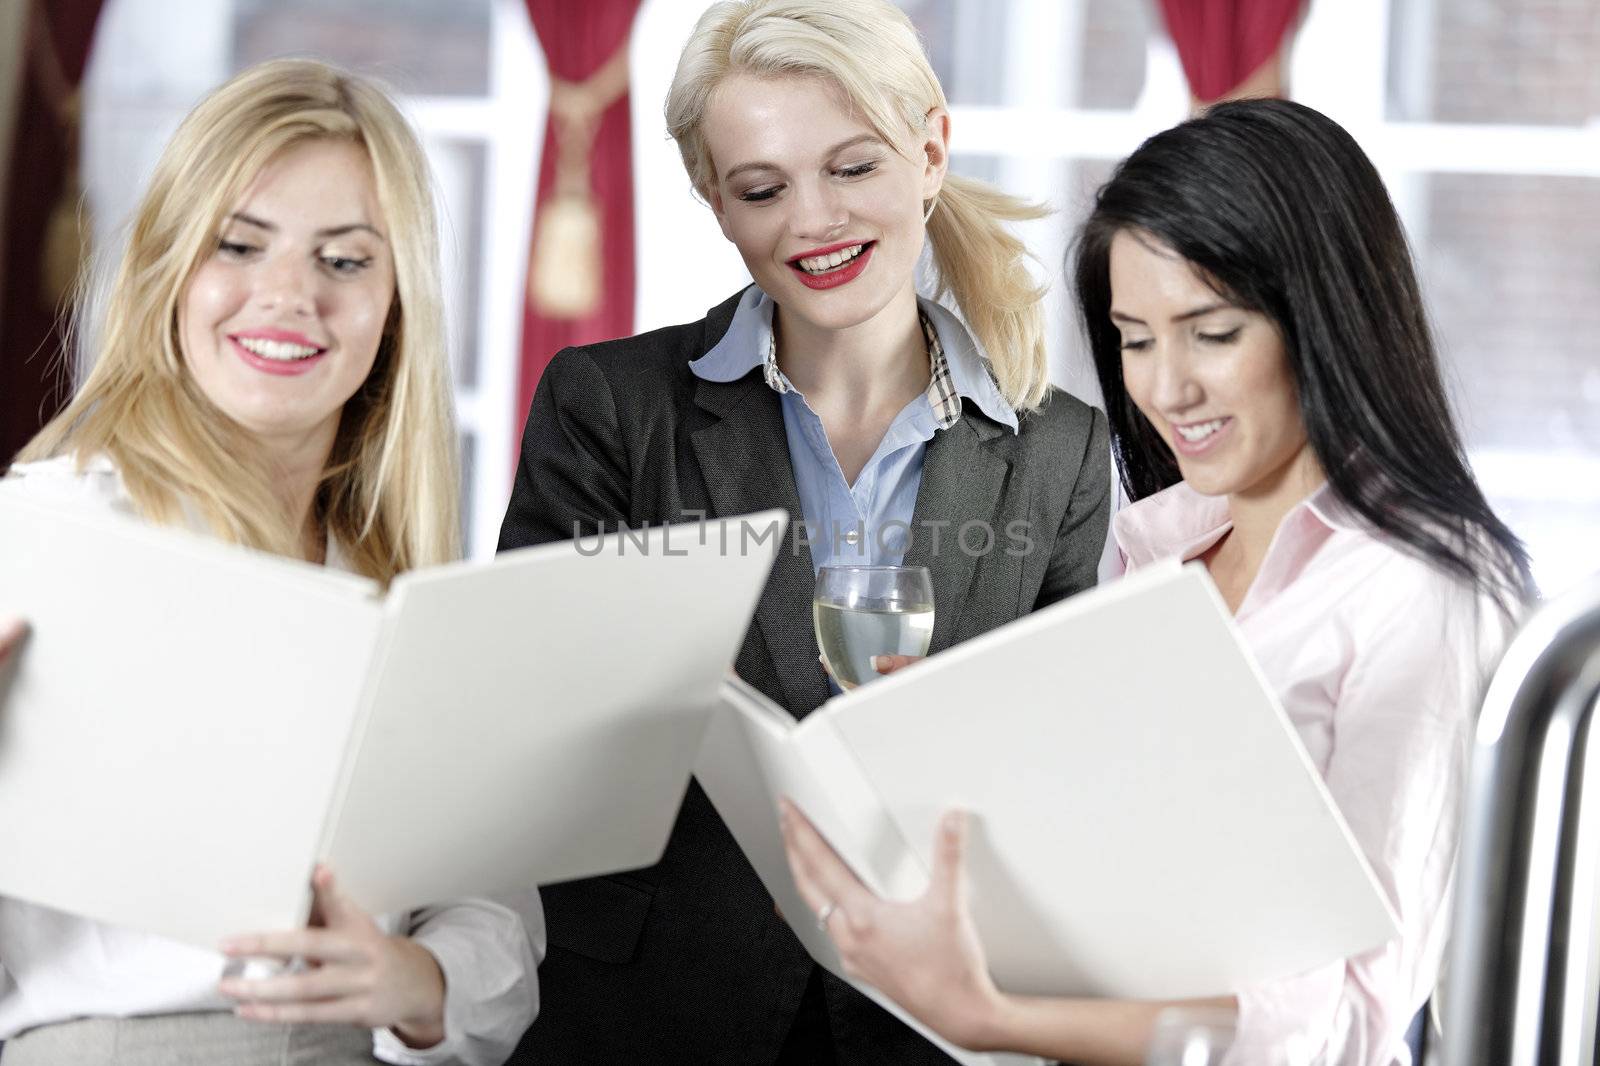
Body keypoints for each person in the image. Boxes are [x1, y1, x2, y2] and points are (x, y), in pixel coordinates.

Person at [778, 97, 1534, 1066]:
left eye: (1210, 332)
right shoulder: (1160, 548)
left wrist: (998, 1019)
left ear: (1327, 315)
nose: (1165, 388)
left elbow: (1348, 1022)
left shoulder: (1420, 594)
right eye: (1135, 338)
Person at [497, 0, 1110, 1061]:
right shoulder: (608, 404)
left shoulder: (1059, 450)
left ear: (928, 151)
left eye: (853, 167)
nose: (812, 221)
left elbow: (1057, 765)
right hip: (654, 1010)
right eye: (762, 189)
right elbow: (535, 728)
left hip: (925, 1024)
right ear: (714, 203)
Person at [0, 59, 542, 1066]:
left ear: (395, 310)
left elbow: (488, 919)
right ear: (167, 273)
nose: (289, 296)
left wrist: (419, 982)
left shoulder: (405, 590)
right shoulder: (40, 537)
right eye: (239, 246)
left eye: (344, 261)